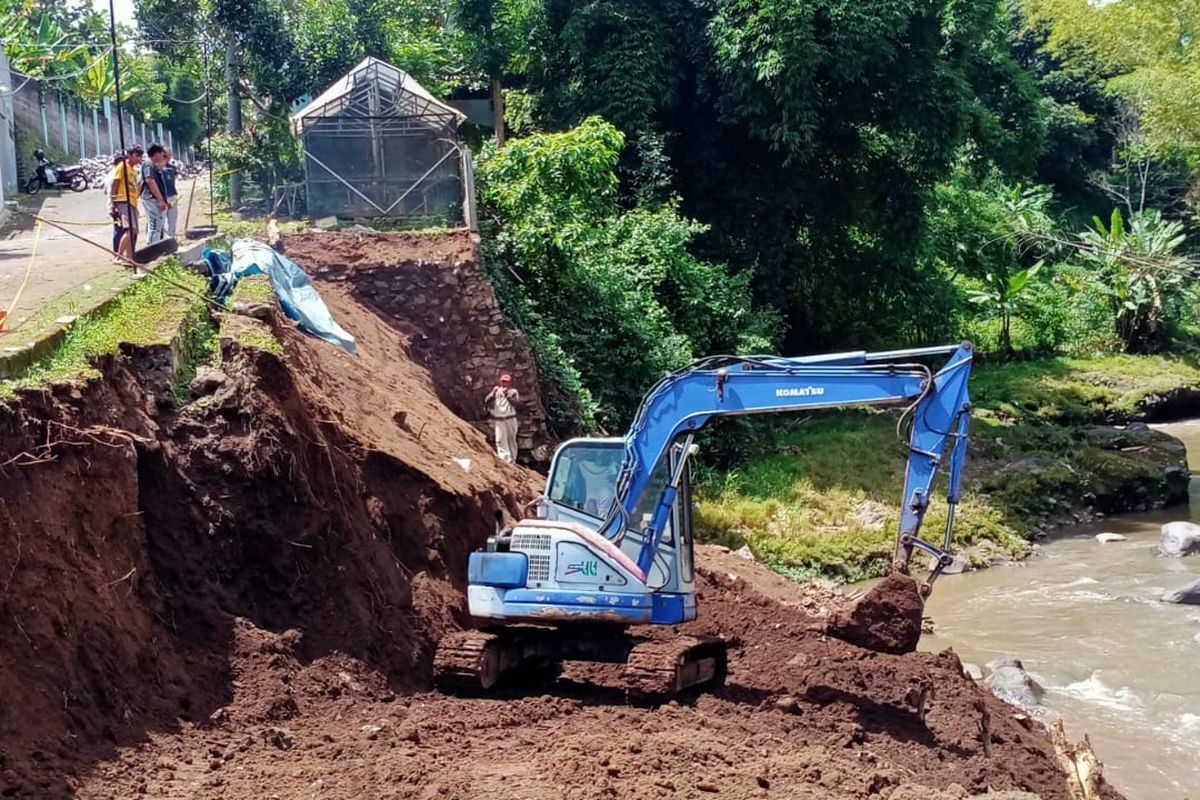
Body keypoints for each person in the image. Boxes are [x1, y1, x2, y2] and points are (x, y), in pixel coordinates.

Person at [109, 145, 144, 263]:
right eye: (137, 156)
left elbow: (135, 188)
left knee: (134, 231)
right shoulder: (122, 166)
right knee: (130, 229)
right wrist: (113, 202)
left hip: (132, 202)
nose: (139, 159)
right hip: (123, 200)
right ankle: (119, 256)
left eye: (140, 156)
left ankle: (129, 258)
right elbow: (115, 183)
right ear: (129, 155)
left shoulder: (133, 171)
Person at [484, 373, 521, 463]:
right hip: (499, 419)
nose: (504, 383)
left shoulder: (513, 392)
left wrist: (508, 396)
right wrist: (493, 393)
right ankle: (505, 459)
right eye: (503, 381)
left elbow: (518, 405)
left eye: (506, 382)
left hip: (510, 418)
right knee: (500, 440)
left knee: (511, 439)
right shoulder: (497, 391)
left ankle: (513, 459)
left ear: (509, 383)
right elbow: (487, 401)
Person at [140, 144, 171, 244]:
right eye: (162, 154)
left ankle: (156, 246)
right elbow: (150, 181)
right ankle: (153, 248)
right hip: (151, 199)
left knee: (158, 226)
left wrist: (164, 200)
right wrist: (160, 200)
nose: (163, 157)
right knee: (155, 226)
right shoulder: (148, 164)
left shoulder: (154, 165)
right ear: (156, 154)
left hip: (155, 199)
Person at [102, 153, 126, 257]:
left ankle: (118, 252)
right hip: (117, 206)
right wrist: (114, 204)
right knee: (120, 229)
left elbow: (105, 191)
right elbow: (113, 190)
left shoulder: (109, 174)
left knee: (118, 228)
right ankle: (118, 253)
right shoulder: (117, 175)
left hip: (113, 205)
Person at [161, 147, 179, 239]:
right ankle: (160, 240)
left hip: (172, 195)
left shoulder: (172, 168)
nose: (168, 157)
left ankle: (171, 238)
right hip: (162, 197)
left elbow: (174, 179)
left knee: (172, 218)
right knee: (161, 219)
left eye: (169, 155)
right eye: (166, 155)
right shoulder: (157, 168)